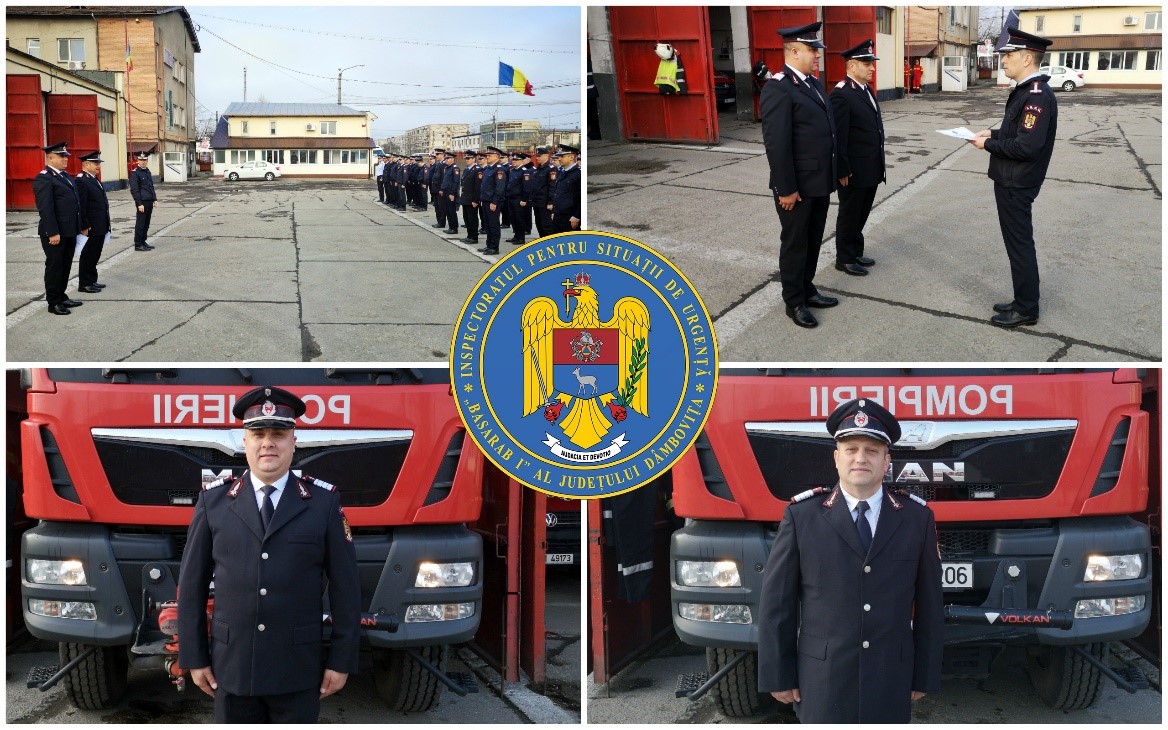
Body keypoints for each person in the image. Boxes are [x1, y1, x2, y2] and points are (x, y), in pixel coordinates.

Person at [178, 386, 361, 723]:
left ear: (294, 441)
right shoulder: (214, 502)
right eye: (258, 433)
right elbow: (192, 587)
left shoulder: (323, 504)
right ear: (244, 443)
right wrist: (194, 656)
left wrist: (341, 660)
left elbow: (345, 589)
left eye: (279, 433)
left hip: (297, 671)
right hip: (231, 670)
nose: (268, 442)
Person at [757, 397, 943, 723]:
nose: (861, 458)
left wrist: (924, 675)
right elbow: (777, 604)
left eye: (872, 450)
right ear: (836, 458)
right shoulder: (802, 517)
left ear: (887, 461)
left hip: (890, 677)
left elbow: (930, 606)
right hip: (821, 678)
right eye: (851, 449)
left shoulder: (916, 520)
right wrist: (778, 674)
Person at [970, 27, 1057, 329]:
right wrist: (990, 133)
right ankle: (1022, 299)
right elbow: (1016, 133)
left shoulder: (1037, 96)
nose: (1004, 61)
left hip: (1016, 182)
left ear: (1028, 58)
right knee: (1017, 244)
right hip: (1011, 178)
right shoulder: (1025, 91)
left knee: (1019, 245)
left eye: (1009, 55)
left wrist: (988, 145)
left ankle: (1026, 308)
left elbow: (1026, 146)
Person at [760, 22, 839, 329]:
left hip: (818, 182)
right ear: (793, 51)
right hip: (796, 186)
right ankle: (794, 301)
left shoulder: (814, 85)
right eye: (811, 50)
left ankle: (807, 289)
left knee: (813, 240)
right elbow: (777, 143)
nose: (817, 55)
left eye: (817, 50)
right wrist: (786, 188)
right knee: (795, 244)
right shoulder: (779, 87)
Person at [830, 40, 885, 277]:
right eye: (866, 64)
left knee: (862, 212)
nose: (872, 68)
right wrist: (842, 168)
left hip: (870, 166)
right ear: (852, 66)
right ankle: (844, 258)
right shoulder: (842, 94)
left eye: (871, 63)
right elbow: (838, 137)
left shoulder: (865, 90)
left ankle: (856, 251)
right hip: (853, 170)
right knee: (850, 213)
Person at [33, 141, 86, 316]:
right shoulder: (44, 178)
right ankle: (53, 302)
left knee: (65, 265)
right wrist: (53, 232)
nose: (65, 159)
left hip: (69, 230)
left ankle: (62, 296)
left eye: (66, 156)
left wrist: (79, 227)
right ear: (50, 158)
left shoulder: (65, 176)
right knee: (55, 267)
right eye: (61, 156)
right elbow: (46, 208)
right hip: (56, 233)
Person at [75, 151, 112, 294]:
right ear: (86, 164)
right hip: (90, 226)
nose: (98, 166)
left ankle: (92, 280)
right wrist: (84, 225)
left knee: (95, 254)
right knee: (88, 255)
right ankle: (84, 283)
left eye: (98, 163)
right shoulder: (81, 180)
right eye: (95, 163)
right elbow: (81, 206)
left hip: (100, 225)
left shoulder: (94, 179)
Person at [477, 146, 507, 255]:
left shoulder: (499, 170)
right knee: (488, 225)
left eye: (489, 155)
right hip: (485, 200)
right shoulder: (489, 169)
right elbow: (484, 186)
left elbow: (499, 188)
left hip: (492, 202)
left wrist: (494, 202)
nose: (487, 157)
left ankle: (494, 247)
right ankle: (489, 245)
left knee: (494, 225)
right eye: (487, 155)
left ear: (497, 156)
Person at [548, 144, 580, 234]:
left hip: (569, 217)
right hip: (558, 214)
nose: (559, 159)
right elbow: (557, 193)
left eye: (562, 156)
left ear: (571, 157)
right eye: (559, 156)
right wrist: (554, 211)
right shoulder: (562, 172)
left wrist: (577, 216)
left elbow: (581, 197)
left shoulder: (578, 174)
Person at [129, 152, 156, 251]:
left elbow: (151, 187)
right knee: (140, 223)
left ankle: (143, 241)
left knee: (146, 223)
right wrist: (139, 203)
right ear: (138, 161)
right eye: (141, 160)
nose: (143, 162)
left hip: (149, 201)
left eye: (145, 160)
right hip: (142, 202)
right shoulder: (135, 173)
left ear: (147, 161)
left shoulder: (147, 172)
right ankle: (138, 244)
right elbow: (134, 190)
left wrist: (154, 199)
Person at [505, 152, 533, 246]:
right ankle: (516, 235)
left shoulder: (525, 171)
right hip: (511, 198)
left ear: (521, 161)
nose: (514, 162)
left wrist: (524, 199)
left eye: (516, 160)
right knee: (513, 219)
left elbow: (527, 187)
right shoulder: (513, 170)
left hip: (519, 199)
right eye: (513, 160)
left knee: (519, 218)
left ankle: (521, 238)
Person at [530, 146, 554, 238]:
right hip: (537, 202)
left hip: (545, 203)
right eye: (537, 156)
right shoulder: (539, 168)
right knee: (539, 225)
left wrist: (550, 202)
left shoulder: (550, 169)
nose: (537, 158)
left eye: (539, 156)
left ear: (546, 156)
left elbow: (552, 187)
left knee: (546, 226)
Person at [459, 149, 482, 245]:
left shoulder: (477, 170)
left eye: (469, 158)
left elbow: (478, 187)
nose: (467, 160)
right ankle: (469, 236)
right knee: (466, 218)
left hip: (472, 199)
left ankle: (474, 237)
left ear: (474, 159)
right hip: (465, 198)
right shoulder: (466, 169)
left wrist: (476, 200)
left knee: (472, 219)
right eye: (466, 159)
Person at [440, 151, 462, 235]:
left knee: (452, 211)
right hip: (446, 192)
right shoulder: (447, 168)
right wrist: (442, 189)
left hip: (451, 193)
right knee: (448, 211)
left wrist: (452, 193)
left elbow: (456, 182)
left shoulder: (455, 168)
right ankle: (450, 227)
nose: (446, 160)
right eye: (445, 158)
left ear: (452, 159)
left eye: (448, 159)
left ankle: (454, 228)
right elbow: (445, 181)